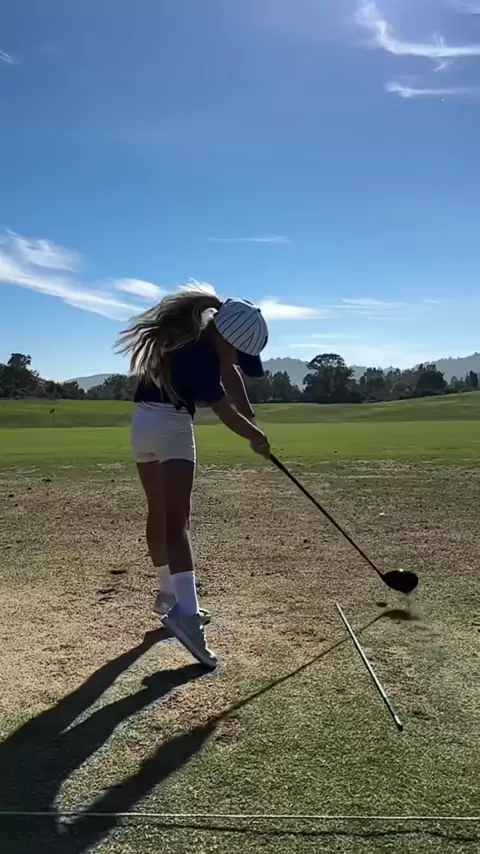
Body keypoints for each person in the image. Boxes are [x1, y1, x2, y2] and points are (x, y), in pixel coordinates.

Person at [117, 285, 270, 670]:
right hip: (172, 427)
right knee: (178, 523)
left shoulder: (191, 338)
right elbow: (224, 411)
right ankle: (187, 614)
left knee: (158, 513)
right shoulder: (202, 356)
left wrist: (251, 415)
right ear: (228, 340)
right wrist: (256, 437)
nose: (237, 360)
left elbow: (230, 374)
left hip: (142, 427)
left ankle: (167, 595)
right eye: (239, 352)